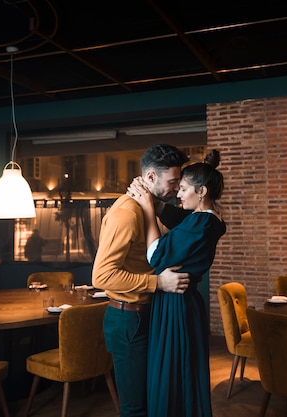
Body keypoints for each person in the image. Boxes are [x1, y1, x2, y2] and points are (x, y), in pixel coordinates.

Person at [92, 144, 192, 417]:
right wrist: (158, 283)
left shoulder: (148, 210)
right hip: (128, 320)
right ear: (150, 178)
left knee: (151, 401)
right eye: (172, 182)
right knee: (135, 408)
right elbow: (101, 275)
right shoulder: (126, 212)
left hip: (144, 315)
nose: (176, 188)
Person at [128, 149, 227, 417]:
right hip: (185, 301)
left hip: (175, 302)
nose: (178, 194)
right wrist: (152, 199)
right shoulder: (208, 219)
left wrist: (148, 208)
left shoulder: (200, 224)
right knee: (184, 368)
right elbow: (175, 217)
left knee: (173, 369)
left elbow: (155, 255)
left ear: (202, 191)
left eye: (183, 189)